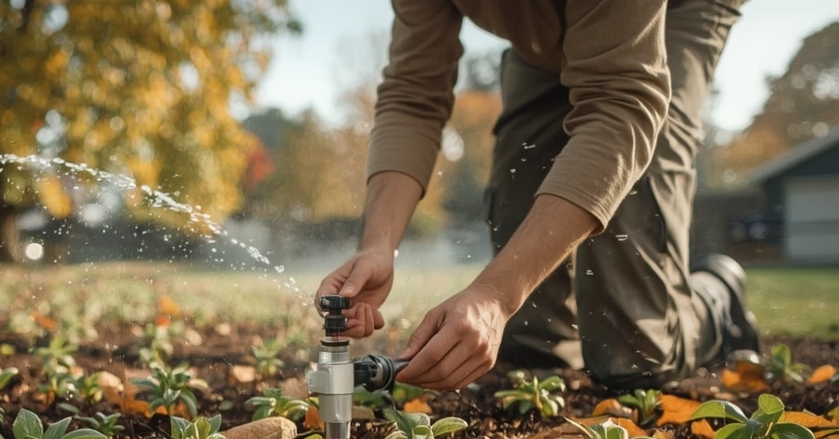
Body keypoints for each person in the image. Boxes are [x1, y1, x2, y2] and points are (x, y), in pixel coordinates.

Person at [315, 0, 761, 392]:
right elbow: (413, 94)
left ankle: (718, 298)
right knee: (531, 341)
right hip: (543, 37)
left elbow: (620, 103)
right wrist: (378, 244)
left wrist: (494, 295)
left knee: (634, 355)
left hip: (664, 18)